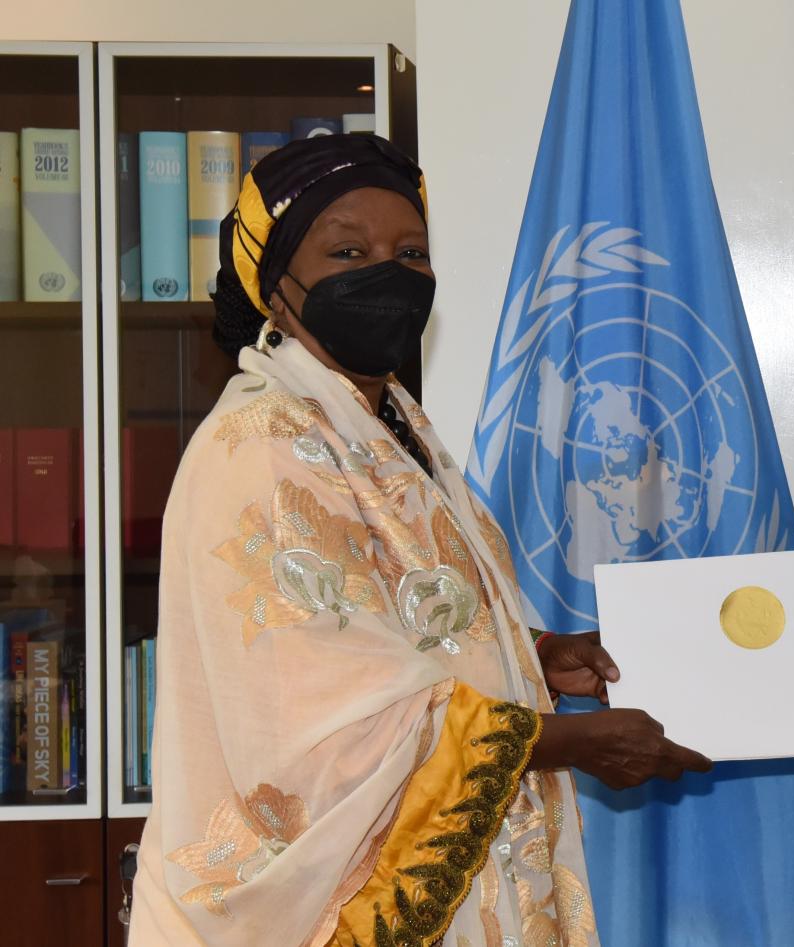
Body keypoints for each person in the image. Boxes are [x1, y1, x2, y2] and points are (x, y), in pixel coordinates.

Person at [127, 134, 710, 946]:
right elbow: (324, 719)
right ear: (277, 287)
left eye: (411, 251)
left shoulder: (387, 421)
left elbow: (388, 614)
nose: (388, 271)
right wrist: (569, 740)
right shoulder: (259, 442)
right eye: (348, 250)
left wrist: (531, 653)